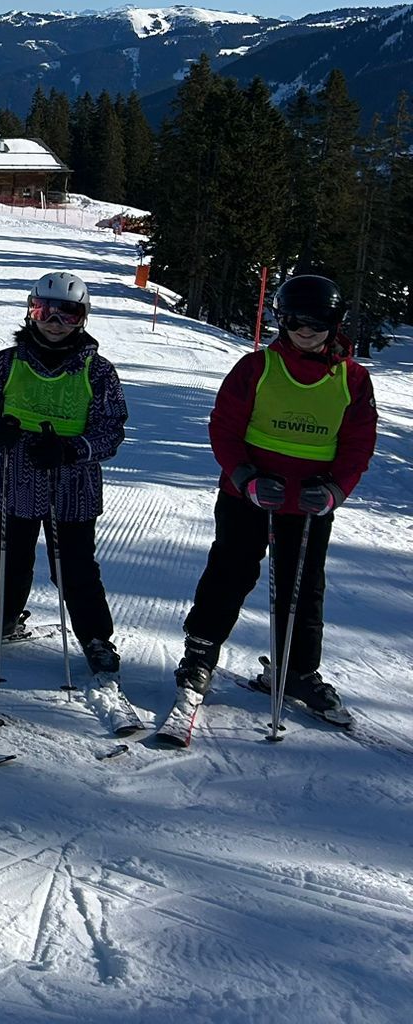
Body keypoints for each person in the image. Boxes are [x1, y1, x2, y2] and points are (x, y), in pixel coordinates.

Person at [170, 272, 376, 723]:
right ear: (282, 321)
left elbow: (359, 443)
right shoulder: (257, 367)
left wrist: (336, 490)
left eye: (318, 320)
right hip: (250, 495)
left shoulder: (353, 379)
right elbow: (224, 427)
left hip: (309, 501)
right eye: (296, 320)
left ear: (335, 322)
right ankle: (200, 655)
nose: (307, 329)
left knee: (302, 588)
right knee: (229, 572)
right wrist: (246, 477)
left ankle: (297, 670)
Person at [0, 272, 129, 673]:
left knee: (74, 565)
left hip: (71, 488)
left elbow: (112, 430)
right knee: (8, 558)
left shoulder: (97, 371)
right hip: (12, 480)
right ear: (30, 312)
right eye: (44, 310)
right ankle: (2, 616)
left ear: (83, 318)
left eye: (67, 314)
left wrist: (72, 449)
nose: (54, 321)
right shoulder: (6, 362)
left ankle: (96, 637)